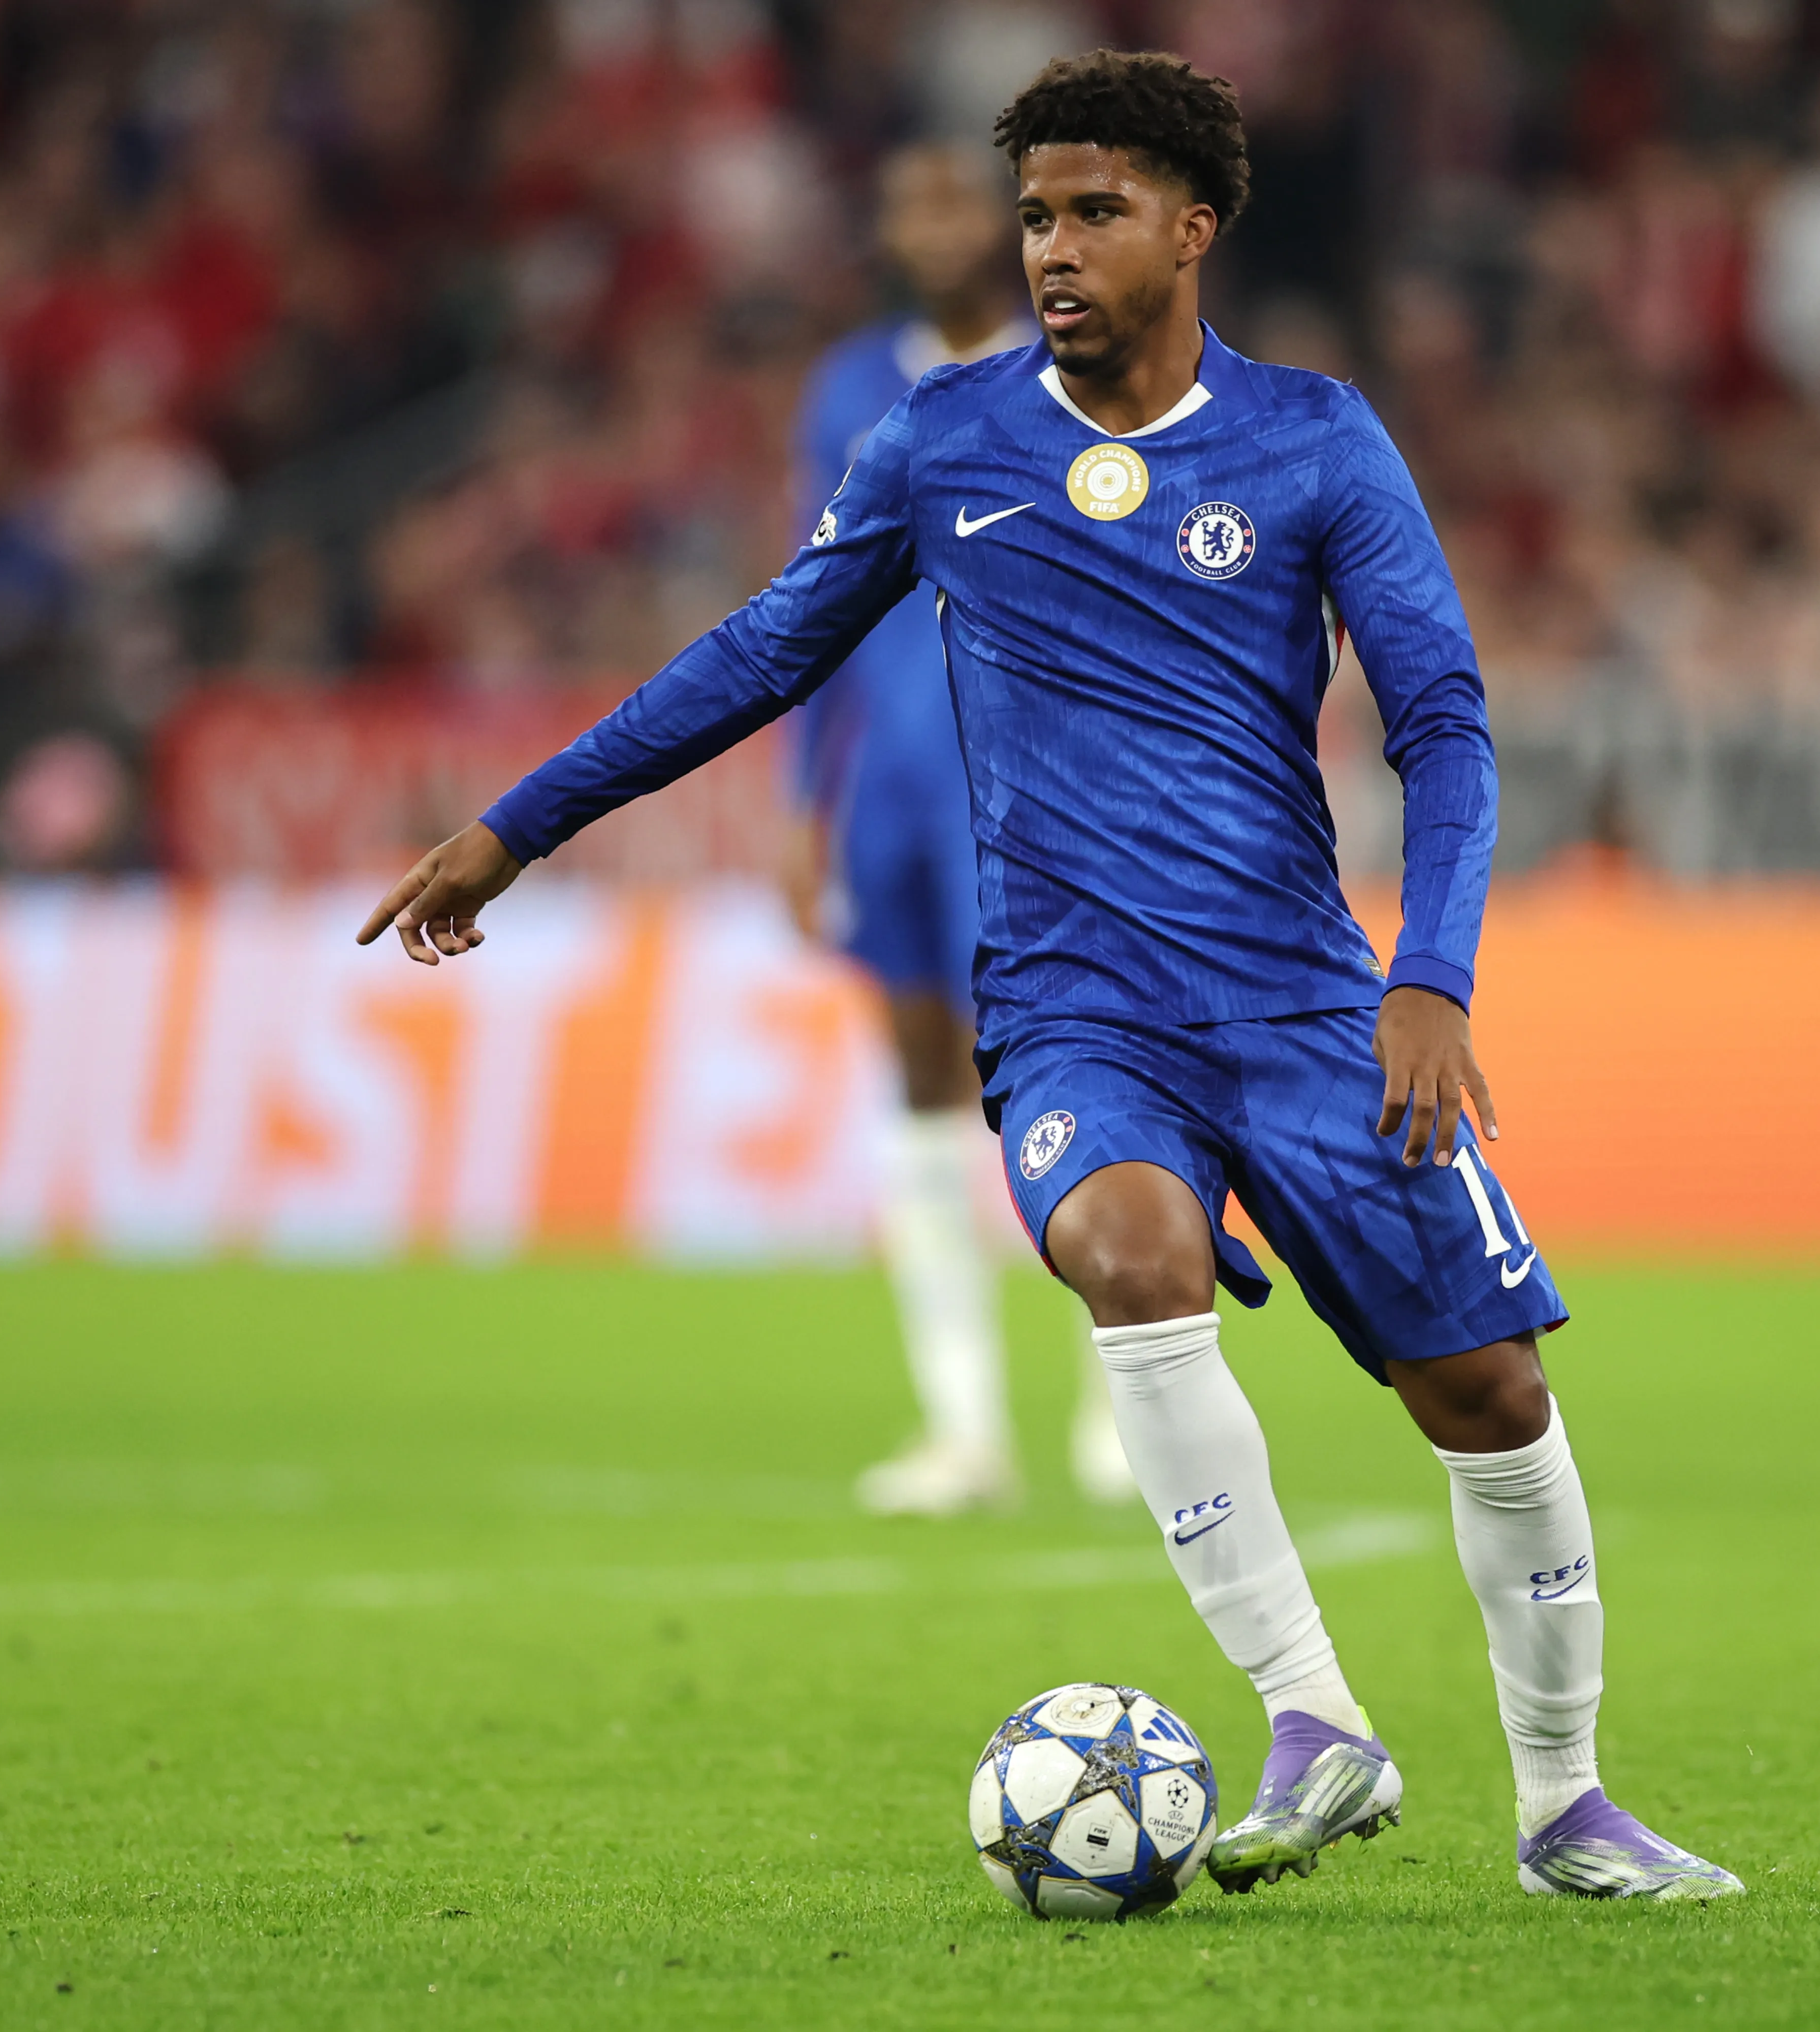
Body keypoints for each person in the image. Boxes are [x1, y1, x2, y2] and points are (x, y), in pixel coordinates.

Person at [359, 50, 1742, 1903]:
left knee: (1487, 1391)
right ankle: (1315, 1722)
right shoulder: (944, 442)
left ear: (1195, 226)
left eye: (1094, 213)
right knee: (1126, 1254)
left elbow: (1448, 727)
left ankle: (1567, 1806)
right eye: (1035, 217)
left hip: (1312, 1006)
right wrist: (518, 826)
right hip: (1073, 1009)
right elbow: (766, 650)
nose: (1053, 250)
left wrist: (1438, 976)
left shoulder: (1319, 441)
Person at [786, 141, 1133, 1516]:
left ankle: (1120, 1413)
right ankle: (964, 1431)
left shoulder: (1078, 373)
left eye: (952, 203)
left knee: (1070, 1079)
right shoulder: (843, 388)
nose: (929, 226)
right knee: (923, 1085)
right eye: (907, 203)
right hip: (890, 790)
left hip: (1040, 789)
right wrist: (801, 799)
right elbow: (814, 592)